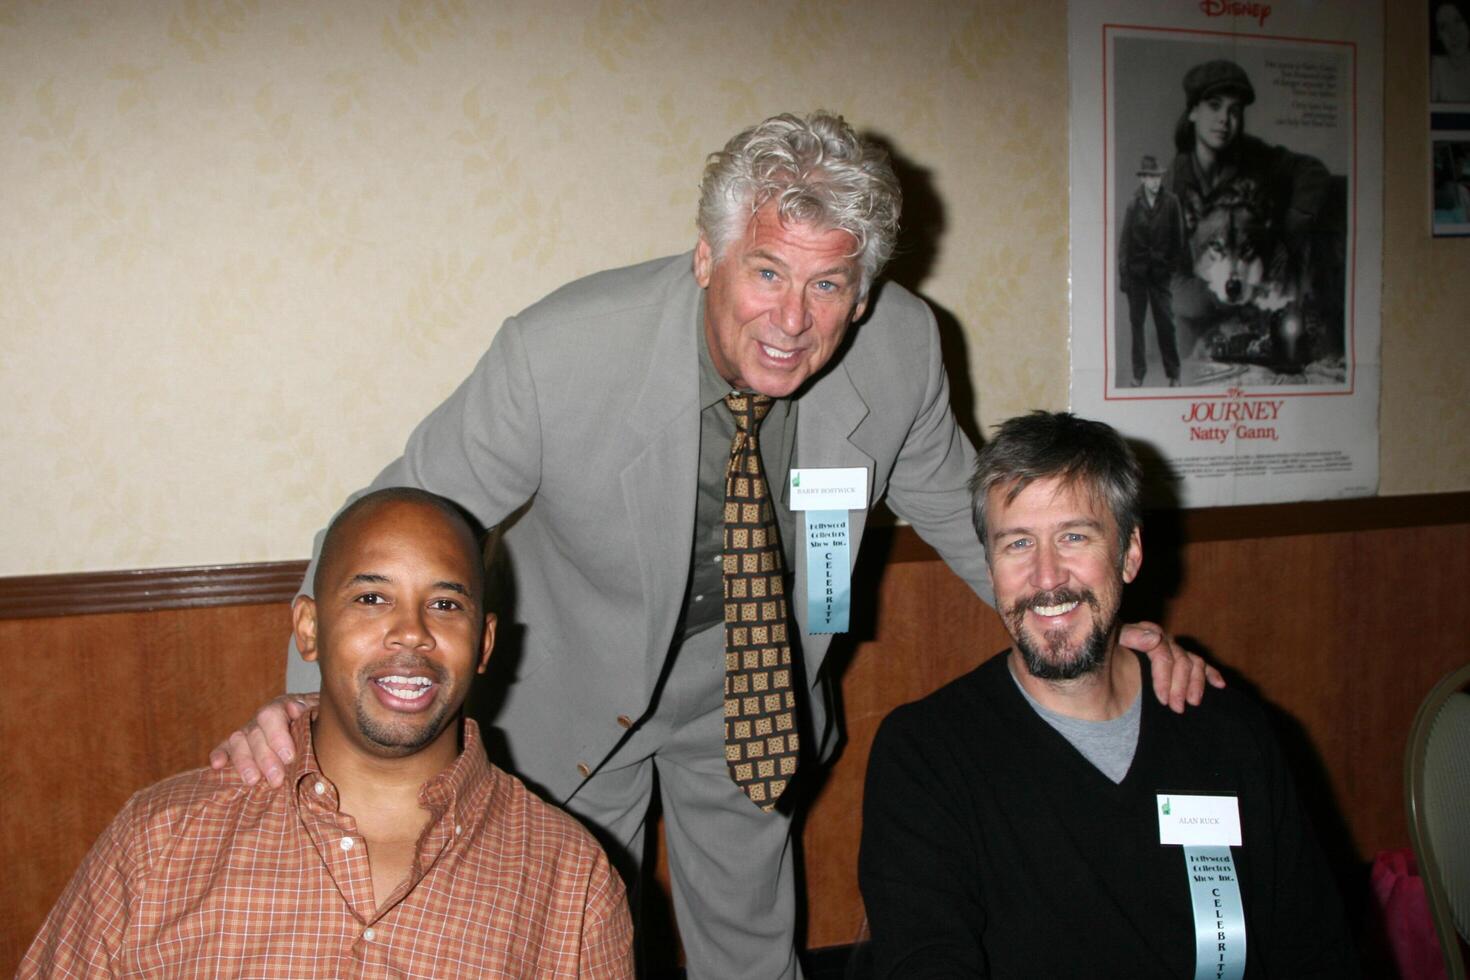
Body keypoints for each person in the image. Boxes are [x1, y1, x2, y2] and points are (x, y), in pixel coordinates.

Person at [213, 112, 1220, 979]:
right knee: (561, 936)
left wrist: (1098, 626)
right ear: (707, 255)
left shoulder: (904, 348)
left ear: (864, 295)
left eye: (829, 287)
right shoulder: (562, 353)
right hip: (574, 694)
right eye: (767, 270)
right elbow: (393, 512)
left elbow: (968, 512)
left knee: (753, 949)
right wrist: (312, 707)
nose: (792, 320)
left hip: (751, 692)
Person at [22, 489, 634, 978]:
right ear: (309, 629)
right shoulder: (162, 840)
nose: (411, 632)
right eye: (372, 597)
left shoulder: (568, 878)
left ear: (486, 644)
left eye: (445, 605)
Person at [858, 412, 1357, 978]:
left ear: (1130, 553)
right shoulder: (927, 755)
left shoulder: (1225, 733)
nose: (1047, 577)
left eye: (1074, 536)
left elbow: (1316, 950)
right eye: (1018, 543)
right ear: (991, 567)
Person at [1117, 154, 1184, 386]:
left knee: (1166, 323)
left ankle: (1174, 374)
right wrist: (1124, 275)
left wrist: (1170, 267)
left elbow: (1179, 239)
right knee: (1137, 325)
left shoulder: (1172, 202)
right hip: (1137, 275)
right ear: (1143, 179)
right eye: (1151, 177)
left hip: (1160, 275)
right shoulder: (1133, 204)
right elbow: (1124, 243)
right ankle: (1138, 374)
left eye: (1158, 177)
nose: (1155, 181)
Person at [1432, 0, 1470, 103]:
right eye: (1443, 27)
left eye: (1457, 21)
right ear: (1438, 36)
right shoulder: (1437, 66)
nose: (1453, 33)